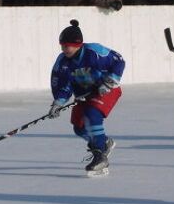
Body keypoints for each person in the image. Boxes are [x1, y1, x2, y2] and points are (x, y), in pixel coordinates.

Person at [48, 20, 125, 177]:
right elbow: (63, 85)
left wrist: (111, 80)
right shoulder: (62, 62)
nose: (64, 49)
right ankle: (103, 142)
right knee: (79, 127)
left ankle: (100, 155)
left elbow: (119, 60)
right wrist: (58, 102)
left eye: (67, 45)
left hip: (107, 90)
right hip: (84, 95)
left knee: (92, 115)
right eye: (62, 45)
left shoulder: (94, 51)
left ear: (78, 44)